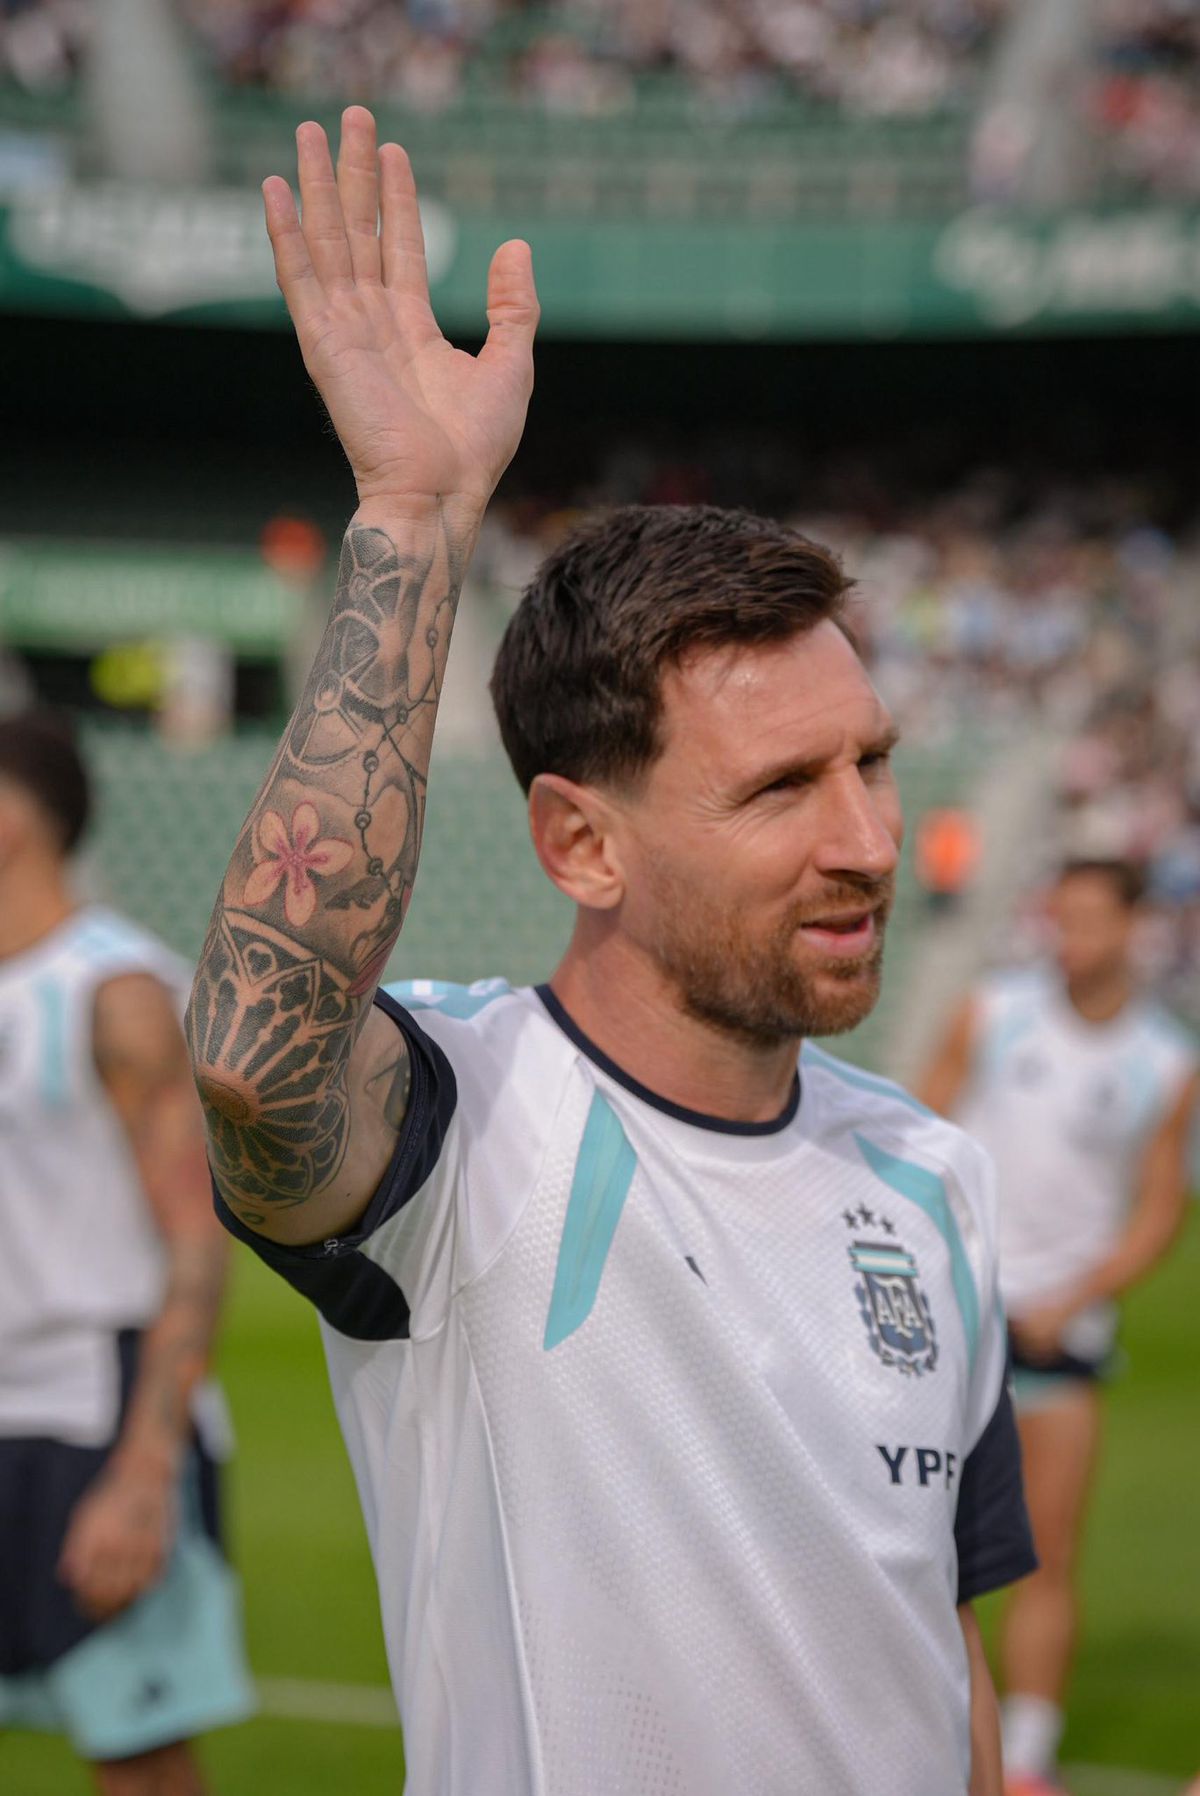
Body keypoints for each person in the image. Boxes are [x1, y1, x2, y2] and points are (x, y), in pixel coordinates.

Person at [186, 105, 1035, 1796]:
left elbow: (933, 1657)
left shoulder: (936, 1182)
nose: (870, 840)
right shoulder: (466, 1134)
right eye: (782, 788)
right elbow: (257, 1060)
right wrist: (414, 515)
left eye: (869, 763)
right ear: (582, 843)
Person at [0, 712, 254, 1795]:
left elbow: (196, 1240)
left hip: (95, 1415)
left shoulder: (116, 994)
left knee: (140, 1761)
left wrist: (146, 1473)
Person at [919, 859, 1200, 1796]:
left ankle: (1028, 1760)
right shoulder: (994, 1012)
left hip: (1060, 1337)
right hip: (955, 1320)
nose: (1069, 936)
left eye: (1089, 918)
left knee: (1048, 1552)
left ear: (1133, 928)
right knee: (921, 1547)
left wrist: (1080, 1295)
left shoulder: (1164, 1062)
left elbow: (1158, 1208)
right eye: (1060, 916)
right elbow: (911, 1136)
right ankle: (922, 1739)